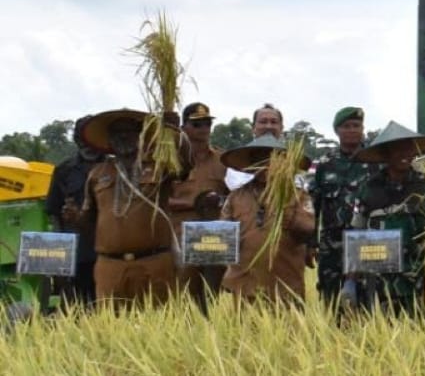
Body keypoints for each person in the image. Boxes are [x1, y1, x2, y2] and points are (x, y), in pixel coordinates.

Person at [76, 107, 189, 309]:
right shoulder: (97, 174)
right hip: (110, 266)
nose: (124, 137)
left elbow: (186, 165)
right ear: (109, 140)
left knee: (160, 326)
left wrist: (174, 132)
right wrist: (74, 217)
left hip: (155, 263)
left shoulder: (159, 167)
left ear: (141, 136)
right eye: (117, 133)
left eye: (129, 132)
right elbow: (88, 221)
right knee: (112, 329)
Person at [352, 122, 425, 315]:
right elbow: (357, 231)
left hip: (419, 271)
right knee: (381, 329)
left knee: (423, 328)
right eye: (398, 149)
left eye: (408, 148)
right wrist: (351, 279)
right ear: (385, 154)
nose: (405, 153)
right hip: (380, 275)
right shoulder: (368, 187)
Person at [219, 136, 316, 304]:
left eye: (272, 160)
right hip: (245, 284)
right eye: (259, 160)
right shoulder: (236, 197)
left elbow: (307, 229)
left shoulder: (298, 195)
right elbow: (223, 236)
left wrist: (285, 212)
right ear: (250, 165)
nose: (266, 165)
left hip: (286, 284)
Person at [310, 107, 376, 311]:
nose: (352, 130)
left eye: (356, 126)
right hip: (332, 245)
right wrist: (309, 243)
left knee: (368, 300)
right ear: (336, 131)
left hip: (367, 242)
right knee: (331, 300)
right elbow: (312, 206)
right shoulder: (322, 164)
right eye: (346, 126)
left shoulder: (375, 162)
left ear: (363, 129)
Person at [168, 102, 231, 310]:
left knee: (213, 299)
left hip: (215, 238)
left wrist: (217, 203)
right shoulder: (171, 161)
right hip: (180, 238)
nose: (204, 129)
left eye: (207, 123)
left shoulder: (223, 160)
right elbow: (156, 199)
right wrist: (193, 204)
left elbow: (234, 197)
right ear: (184, 128)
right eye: (197, 124)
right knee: (183, 298)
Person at [42, 115, 99, 307]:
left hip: (108, 250)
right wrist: (60, 262)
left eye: (92, 138)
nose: (88, 144)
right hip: (78, 253)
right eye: (83, 138)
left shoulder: (114, 167)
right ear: (76, 139)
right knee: (77, 305)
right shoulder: (64, 170)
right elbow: (54, 212)